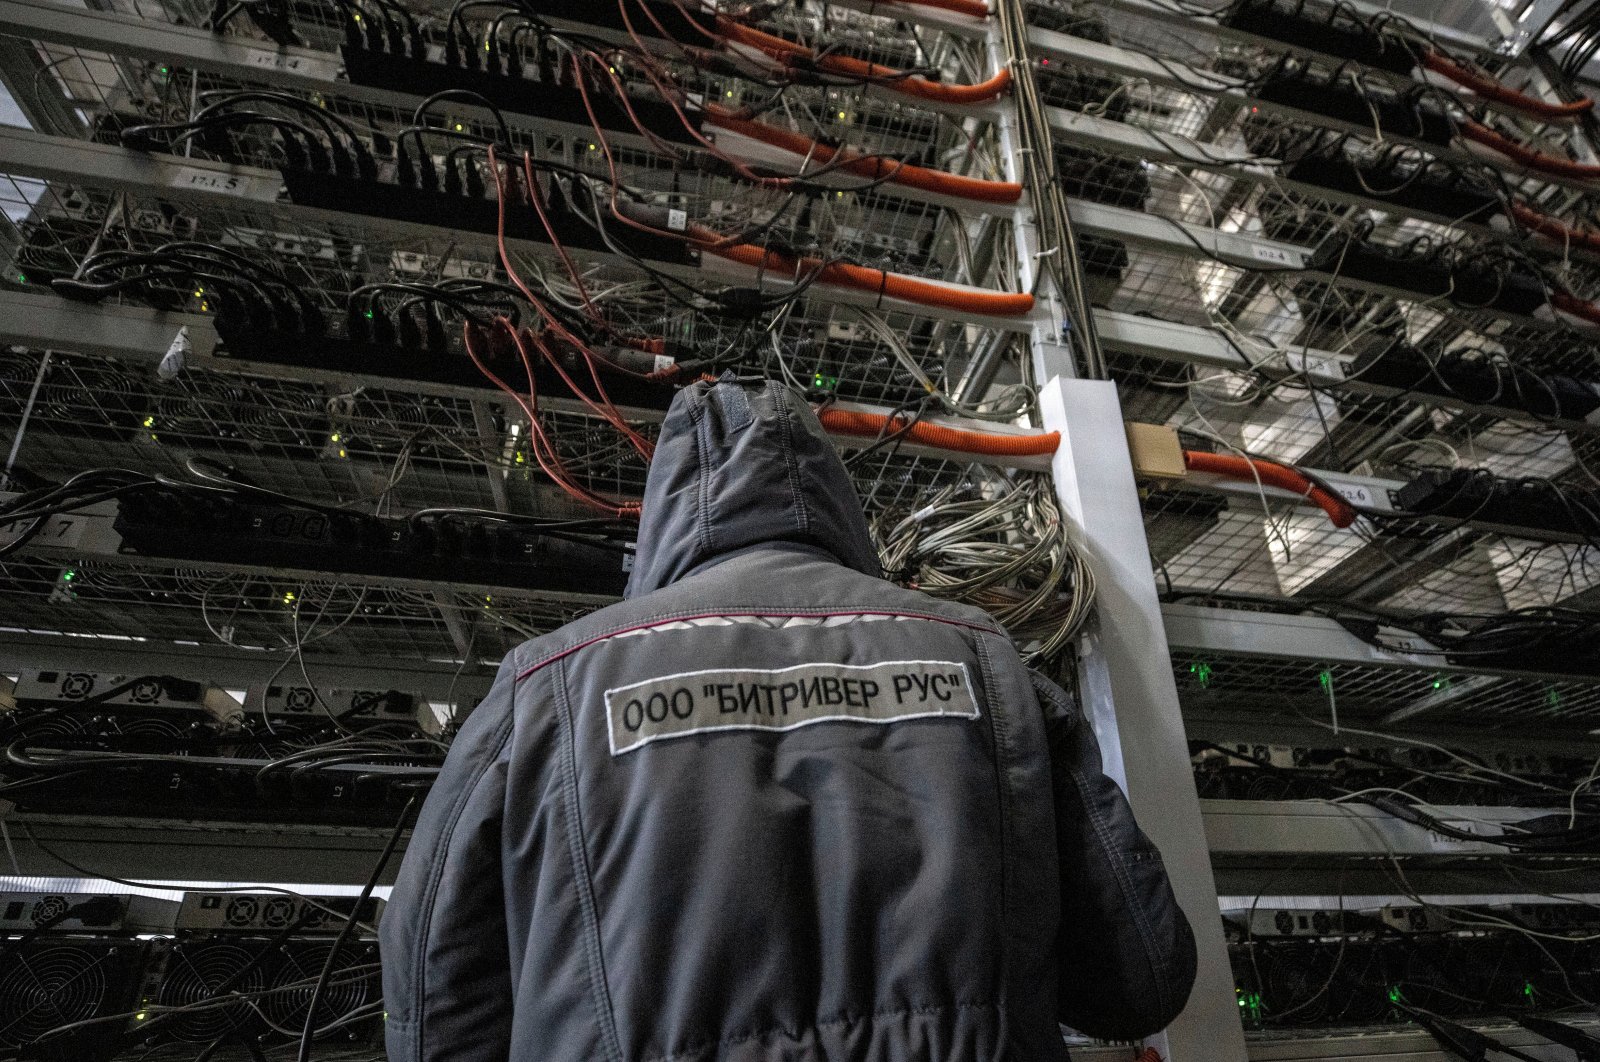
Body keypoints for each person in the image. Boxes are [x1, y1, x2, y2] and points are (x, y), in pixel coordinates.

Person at [381, 377, 1197, 1062]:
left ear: (664, 515)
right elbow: (1143, 979)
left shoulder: (546, 687)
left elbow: (433, 1009)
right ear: (834, 499)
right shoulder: (985, 661)